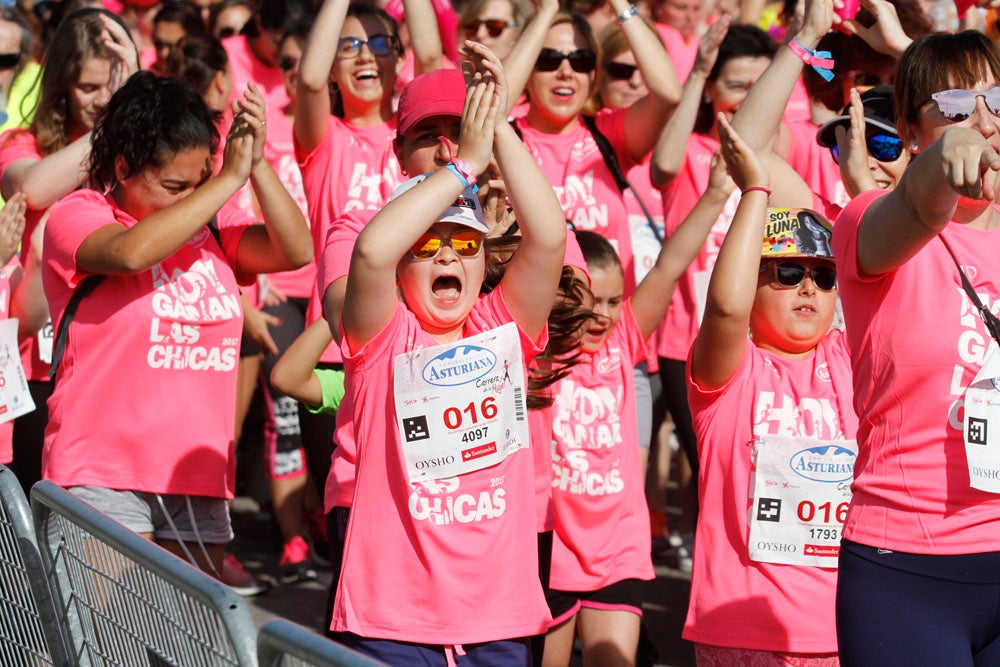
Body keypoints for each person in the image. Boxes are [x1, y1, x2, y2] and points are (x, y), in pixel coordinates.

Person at [331, 43, 566, 663]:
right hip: (393, 617)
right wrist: (464, 166)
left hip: (498, 613)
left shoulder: (501, 328)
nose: (446, 255)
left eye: (465, 244)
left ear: (486, 260)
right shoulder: (381, 335)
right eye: (430, 243)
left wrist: (499, 131)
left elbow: (549, 235)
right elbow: (370, 253)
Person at [40, 72, 311, 576]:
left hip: (198, 478)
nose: (191, 196)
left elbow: (295, 250)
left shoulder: (210, 228)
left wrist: (254, 167)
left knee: (184, 648)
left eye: (200, 182)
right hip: (102, 472)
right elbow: (131, 252)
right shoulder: (79, 214)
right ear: (122, 167)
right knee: (104, 649)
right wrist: (224, 182)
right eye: (174, 186)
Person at [832, 30, 1000, 665]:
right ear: (907, 128)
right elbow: (918, 206)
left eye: (996, 100)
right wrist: (943, 157)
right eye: (955, 107)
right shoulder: (868, 220)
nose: (982, 121)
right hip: (908, 566)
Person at [682, 111, 855, 666]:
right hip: (741, 630)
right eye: (786, 273)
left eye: (824, 276)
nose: (809, 285)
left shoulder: (852, 359)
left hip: (846, 628)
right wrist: (754, 190)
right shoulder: (729, 373)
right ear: (753, 280)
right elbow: (726, 305)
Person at [0, 8, 139, 496]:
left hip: (117, 358)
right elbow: (34, 189)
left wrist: (137, 114)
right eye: (89, 88)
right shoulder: (22, 145)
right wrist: (122, 119)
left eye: (112, 87)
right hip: (39, 363)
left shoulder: (136, 152)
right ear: (61, 86)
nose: (103, 100)